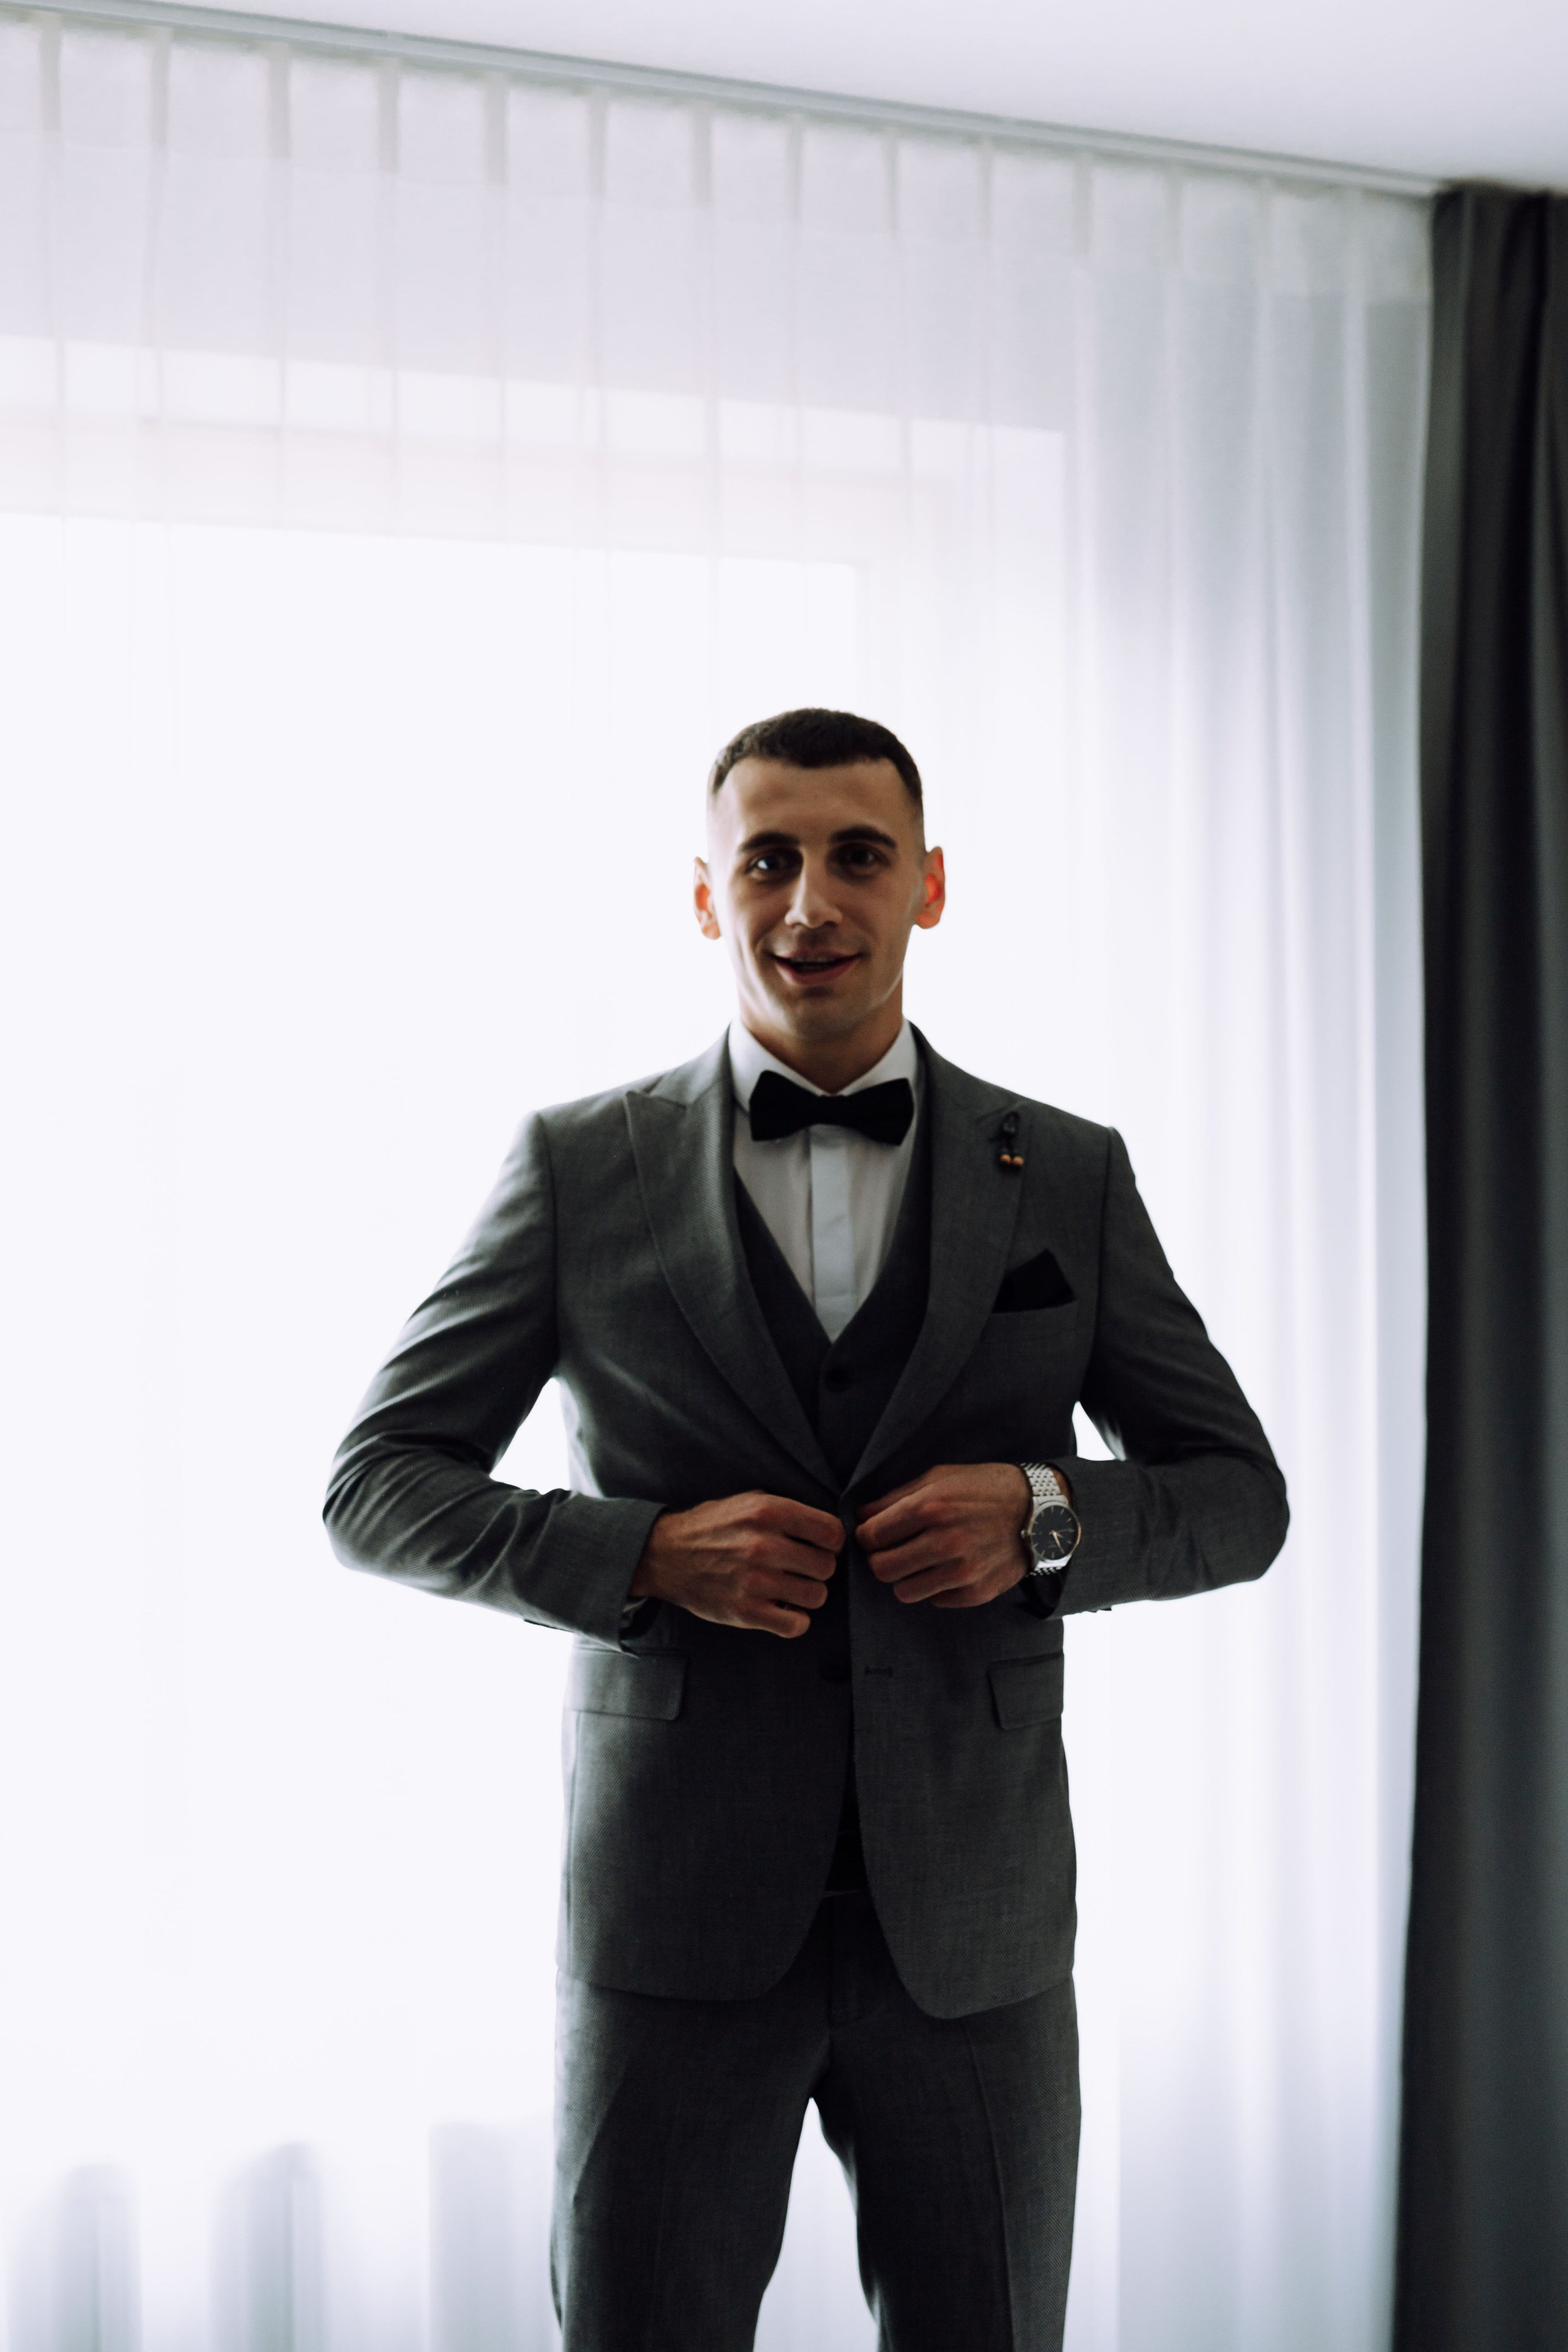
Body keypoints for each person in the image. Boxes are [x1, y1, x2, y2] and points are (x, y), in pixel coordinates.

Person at [324, 707, 1287, 2352]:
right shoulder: (580, 1166)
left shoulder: (1063, 1172)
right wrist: (641, 1555)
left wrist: (1044, 1514)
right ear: (708, 896)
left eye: (858, 856)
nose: (810, 902)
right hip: (674, 1921)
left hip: (975, 1933)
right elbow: (379, 1482)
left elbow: (1237, 1496)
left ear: (929, 886)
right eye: (766, 860)